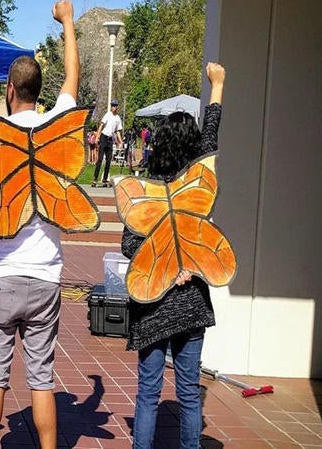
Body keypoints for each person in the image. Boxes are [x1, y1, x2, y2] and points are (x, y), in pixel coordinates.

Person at [0, 2, 79, 448]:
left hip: (0, 275)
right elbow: (73, 78)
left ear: (10, 90)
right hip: (45, 275)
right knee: (42, 378)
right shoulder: (54, 131)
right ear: (38, 91)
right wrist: (67, 22)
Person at [124, 63, 225, 449]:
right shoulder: (200, 189)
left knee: (148, 393)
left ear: (158, 144)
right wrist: (218, 86)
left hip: (153, 302)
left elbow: (129, 248)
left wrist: (164, 266)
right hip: (192, 301)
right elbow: (211, 137)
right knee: (188, 392)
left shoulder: (145, 194)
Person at [93, 99, 124, 187]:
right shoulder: (108, 114)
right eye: (112, 105)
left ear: (117, 107)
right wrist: (97, 137)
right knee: (99, 159)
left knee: (108, 160)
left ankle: (105, 179)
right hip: (103, 137)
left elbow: (118, 131)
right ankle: (95, 179)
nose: (113, 107)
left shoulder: (118, 118)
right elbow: (101, 125)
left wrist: (120, 141)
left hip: (110, 139)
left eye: (114, 106)